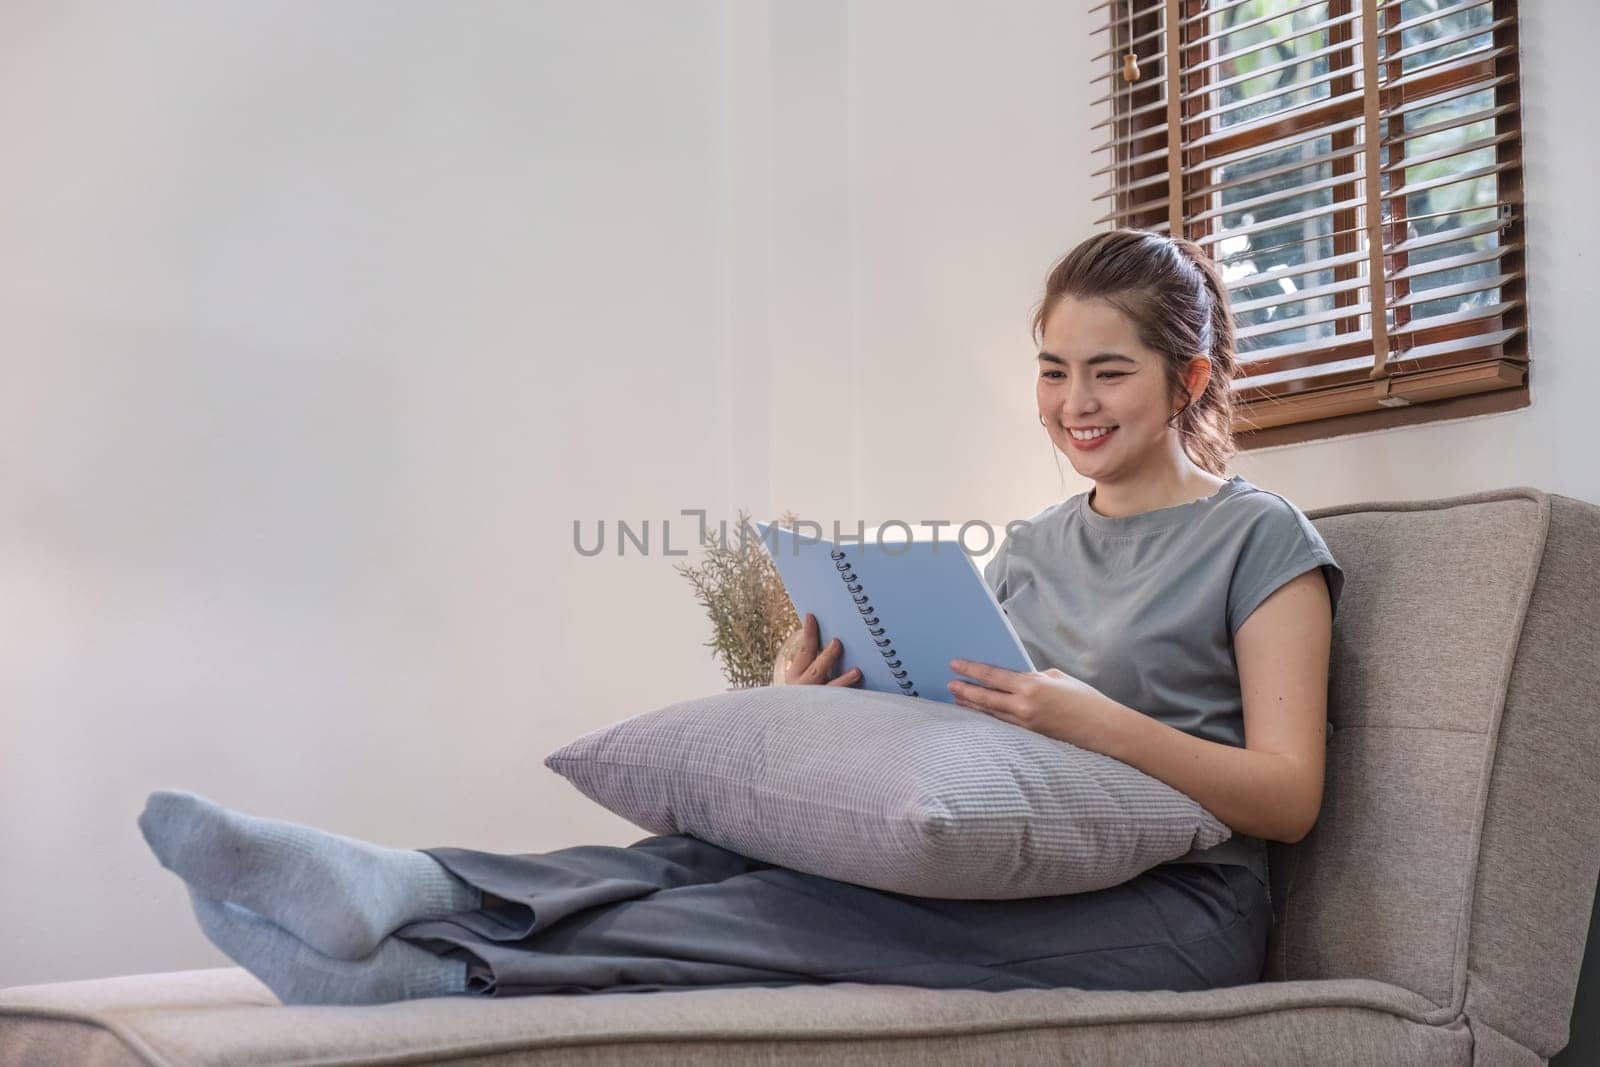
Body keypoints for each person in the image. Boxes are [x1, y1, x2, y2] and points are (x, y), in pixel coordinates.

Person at [138, 228, 1343, 1007]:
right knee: (719, 851)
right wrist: (827, 694)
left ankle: (442, 964)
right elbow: (978, 736)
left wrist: (1092, 720)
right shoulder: (1033, 542)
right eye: (1050, 368)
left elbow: (1287, 794)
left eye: (1108, 370)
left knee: (801, 910)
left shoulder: (1258, 538)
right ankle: (411, 886)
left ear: (1187, 378)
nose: (1072, 403)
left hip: (1180, 914)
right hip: (1019, 858)